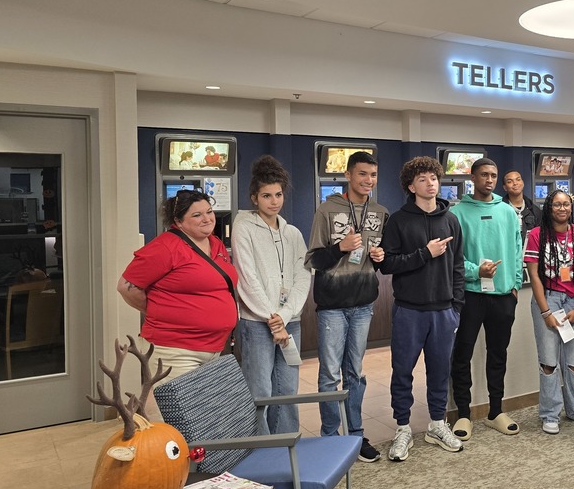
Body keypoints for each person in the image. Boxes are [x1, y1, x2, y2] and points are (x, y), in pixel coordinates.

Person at [379, 156, 465, 461]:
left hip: (444, 311)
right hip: (409, 310)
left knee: (440, 371)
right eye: (423, 179)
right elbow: (388, 264)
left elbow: (457, 265)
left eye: (434, 178)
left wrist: (456, 306)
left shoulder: (451, 219)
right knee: (402, 372)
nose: (431, 184)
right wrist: (424, 254)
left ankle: (437, 425)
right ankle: (402, 428)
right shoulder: (399, 220)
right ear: (410, 185)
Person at [304, 151, 388, 463]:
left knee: (356, 372)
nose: (369, 181)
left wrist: (381, 258)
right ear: (349, 175)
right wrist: (340, 247)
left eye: (373, 175)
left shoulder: (379, 212)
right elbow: (314, 259)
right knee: (329, 373)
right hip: (332, 305)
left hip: (364, 301)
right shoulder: (327, 210)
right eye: (363, 174)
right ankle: (330, 437)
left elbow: (379, 257)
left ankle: (355, 436)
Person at [117, 189, 237, 383]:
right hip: (175, 351)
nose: (207, 219)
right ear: (179, 221)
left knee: (206, 411)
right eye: (197, 215)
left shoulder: (215, 244)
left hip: (214, 348)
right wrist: (157, 309)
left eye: (209, 211)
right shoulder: (165, 247)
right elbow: (125, 286)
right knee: (183, 412)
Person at [231, 155, 310, 435]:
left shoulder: (293, 233)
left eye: (278, 195)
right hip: (256, 323)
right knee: (260, 390)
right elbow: (247, 278)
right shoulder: (243, 228)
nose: (274, 201)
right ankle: (260, 448)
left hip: (290, 323)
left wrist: (284, 317)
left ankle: (287, 442)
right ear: (254, 198)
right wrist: (270, 318)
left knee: (287, 388)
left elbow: (303, 276)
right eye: (266, 195)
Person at [449, 158, 524, 439]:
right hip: (470, 295)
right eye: (484, 175)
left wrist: (515, 285)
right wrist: (473, 271)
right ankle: (464, 415)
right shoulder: (456, 213)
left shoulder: (507, 212)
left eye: (493, 175)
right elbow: (452, 258)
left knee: (498, 354)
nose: (489, 179)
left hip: (503, 295)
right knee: (462, 355)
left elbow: (517, 250)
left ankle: (495, 411)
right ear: (473, 177)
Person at [525, 189, 574, 433]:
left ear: (571, 207)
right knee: (549, 361)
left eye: (566, 205)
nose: (562, 209)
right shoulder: (536, 235)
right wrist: (545, 312)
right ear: (549, 208)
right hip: (548, 299)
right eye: (556, 205)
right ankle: (550, 413)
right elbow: (533, 276)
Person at [502, 169, 539, 235]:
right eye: (510, 181)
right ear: (505, 187)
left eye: (518, 179)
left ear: (523, 183)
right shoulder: (500, 210)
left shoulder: (534, 210)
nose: (515, 183)